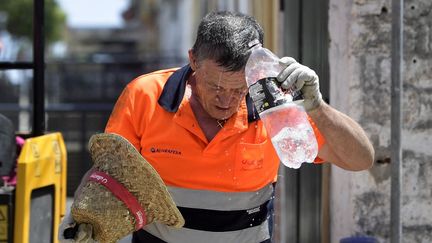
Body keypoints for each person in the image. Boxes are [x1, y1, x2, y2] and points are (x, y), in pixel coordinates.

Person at [59, 11, 374, 243]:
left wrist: (316, 107)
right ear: (193, 60)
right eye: (215, 86)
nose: (227, 100)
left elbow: (361, 159)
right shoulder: (146, 96)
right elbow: (109, 173)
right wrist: (84, 213)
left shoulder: (277, 107)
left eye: (239, 89)